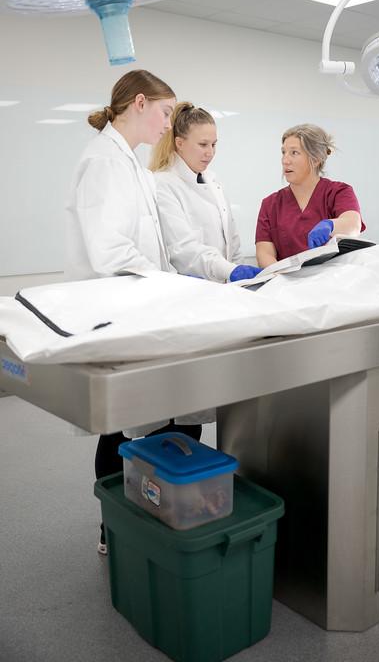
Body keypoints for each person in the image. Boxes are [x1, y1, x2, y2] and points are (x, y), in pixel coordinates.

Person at [65, 70, 201, 556]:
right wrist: (168, 283)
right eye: (166, 112)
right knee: (118, 427)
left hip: (136, 307)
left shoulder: (130, 164)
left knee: (134, 424)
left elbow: (148, 244)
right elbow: (110, 253)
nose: (169, 123)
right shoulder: (105, 162)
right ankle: (113, 530)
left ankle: (138, 522)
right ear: (139, 104)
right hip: (115, 310)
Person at [149, 101, 262, 283]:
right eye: (203, 144)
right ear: (179, 143)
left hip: (225, 288)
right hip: (191, 291)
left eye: (213, 144)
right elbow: (183, 249)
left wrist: (240, 279)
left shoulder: (213, 181)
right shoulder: (163, 184)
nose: (210, 153)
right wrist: (229, 271)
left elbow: (232, 241)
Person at [255, 124, 364, 267]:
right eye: (283, 152)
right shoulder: (270, 204)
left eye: (294, 153)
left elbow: (353, 225)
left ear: (316, 158)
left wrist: (331, 225)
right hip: (286, 284)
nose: (285, 160)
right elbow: (264, 253)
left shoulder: (338, 192)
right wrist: (279, 278)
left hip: (333, 282)